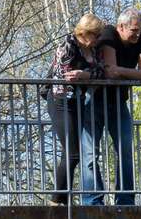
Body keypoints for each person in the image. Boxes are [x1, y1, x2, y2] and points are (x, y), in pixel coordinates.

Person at [44, 12, 108, 206]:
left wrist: (85, 75)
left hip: (77, 101)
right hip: (60, 101)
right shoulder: (68, 45)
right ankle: (58, 200)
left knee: (70, 153)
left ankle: (62, 200)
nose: (97, 39)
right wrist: (88, 75)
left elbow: (102, 71)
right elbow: (66, 76)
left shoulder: (93, 49)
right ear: (85, 32)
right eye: (95, 35)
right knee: (73, 153)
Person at [97, 7, 141, 205]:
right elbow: (111, 73)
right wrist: (133, 73)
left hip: (119, 101)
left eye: (139, 29)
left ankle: (125, 199)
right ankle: (93, 201)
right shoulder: (109, 34)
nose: (137, 34)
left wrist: (122, 71)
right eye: (133, 30)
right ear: (121, 27)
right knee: (90, 153)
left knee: (126, 149)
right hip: (95, 100)